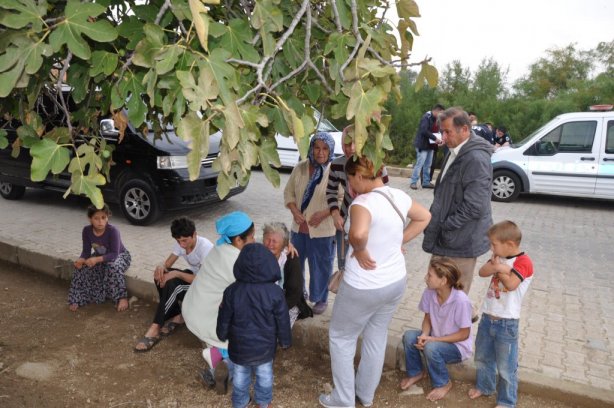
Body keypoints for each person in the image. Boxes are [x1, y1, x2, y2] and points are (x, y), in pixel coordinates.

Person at [319, 156, 431, 408]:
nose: (349, 186)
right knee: (376, 336)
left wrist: (359, 249)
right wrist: (399, 241)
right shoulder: (397, 196)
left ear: (359, 176)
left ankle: (342, 399)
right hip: (394, 281)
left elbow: (358, 234)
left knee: (341, 338)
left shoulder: (363, 203)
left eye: (349, 180)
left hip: (363, 285)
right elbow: (425, 216)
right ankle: (365, 395)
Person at [422, 107, 493, 318]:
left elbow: (475, 205)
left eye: (447, 132)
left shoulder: (476, 159)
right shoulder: (455, 150)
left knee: (454, 299)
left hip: (461, 242)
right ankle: (436, 335)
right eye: (441, 132)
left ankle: (450, 343)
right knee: (438, 292)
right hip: (447, 238)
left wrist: (447, 224)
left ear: (464, 129)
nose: (443, 137)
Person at [181, 211, 256, 395]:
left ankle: (215, 362)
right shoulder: (236, 262)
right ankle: (217, 362)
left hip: (194, 307)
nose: (255, 240)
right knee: (243, 335)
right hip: (205, 316)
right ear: (238, 240)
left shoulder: (221, 247)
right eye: (252, 237)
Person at [217, 243, 292, 408]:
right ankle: (263, 403)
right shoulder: (275, 292)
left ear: (240, 265)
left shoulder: (231, 291)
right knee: (265, 377)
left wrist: (221, 334)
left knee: (240, 378)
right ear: (269, 265)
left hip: (239, 348)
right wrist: (285, 341)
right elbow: (283, 320)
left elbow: (224, 317)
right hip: (264, 348)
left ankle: (240, 402)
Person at [468, 220, 534, 408]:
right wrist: (496, 266)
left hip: (507, 323)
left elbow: (512, 285)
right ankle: (485, 386)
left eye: (494, 244)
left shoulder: (524, 262)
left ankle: (506, 401)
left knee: (506, 366)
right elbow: (482, 272)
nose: (491, 248)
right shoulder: (499, 257)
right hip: (488, 317)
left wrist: (500, 269)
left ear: (510, 244)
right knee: (482, 357)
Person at [134, 217, 214, 352]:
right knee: (161, 276)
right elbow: (167, 264)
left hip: (207, 286)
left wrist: (177, 274)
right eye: (178, 241)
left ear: (194, 234)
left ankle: (156, 326)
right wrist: (161, 266)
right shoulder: (181, 242)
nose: (181, 244)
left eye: (184, 240)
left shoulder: (205, 247)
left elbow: (203, 280)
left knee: (174, 283)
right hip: (194, 277)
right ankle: (177, 316)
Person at [400, 257, 473, 401]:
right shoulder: (429, 292)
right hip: (436, 337)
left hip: (457, 347)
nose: (426, 278)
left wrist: (433, 339)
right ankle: (416, 372)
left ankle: (443, 383)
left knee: (431, 348)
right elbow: (427, 318)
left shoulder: (461, 301)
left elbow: (465, 334)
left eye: (430, 275)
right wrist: (425, 334)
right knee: (409, 336)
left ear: (443, 281)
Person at [284, 132, 336, 315]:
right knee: (295, 264)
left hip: (323, 230)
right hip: (299, 229)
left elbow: (342, 198)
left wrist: (323, 214)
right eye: (317, 147)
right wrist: (294, 210)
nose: (320, 152)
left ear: (330, 151)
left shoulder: (335, 170)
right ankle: (299, 293)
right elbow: (288, 193)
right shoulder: (300, 167)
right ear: (311, 148)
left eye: (325, 149)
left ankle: (321, 298)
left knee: (321, 266)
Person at [326, 125, 389, 271]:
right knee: (344, 266)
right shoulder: (336, 165)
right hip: (344, 224)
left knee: (367, 266)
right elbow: (330, 191)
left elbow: (385, 198)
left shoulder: (377, 166)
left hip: (371, 226)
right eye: (346, 144)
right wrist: (335, 214)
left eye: (355, 143)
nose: (351, 148)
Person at [68, 204, 131, 312]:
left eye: (103, 217)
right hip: (99, 256)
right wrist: (81, 260)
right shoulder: (86, 231)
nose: (100, 222)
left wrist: (96, 260)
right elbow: (86, 252)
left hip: (120, 256)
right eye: (96, 218)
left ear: (108, 217)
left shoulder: (113, 231)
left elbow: (114, 254)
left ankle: (122, 297)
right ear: (90, 219)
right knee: (80, 269)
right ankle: (78, 298)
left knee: (112, 267)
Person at [262, 222, 313, 327]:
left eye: (275, 241)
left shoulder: (291, 259)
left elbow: (294, 293)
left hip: (287, 303)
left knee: (274, 324)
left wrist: (274, 310)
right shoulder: (258, 255)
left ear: (284, 244)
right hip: (263, 301)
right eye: (267, 239)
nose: (270, 244)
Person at [410, 104, 445, 190]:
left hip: (431, 146)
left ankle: (426, 182)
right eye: (441, 113)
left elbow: (439, 131)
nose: (442, 115)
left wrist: (440, 140)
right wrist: (435, 138)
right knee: (420, 164)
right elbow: (424, 130)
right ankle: (413, 182)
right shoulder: (426, 117)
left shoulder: (437, 119)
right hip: (422, 145)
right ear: (436, 111)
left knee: (428, 165)